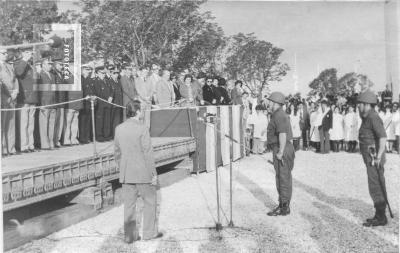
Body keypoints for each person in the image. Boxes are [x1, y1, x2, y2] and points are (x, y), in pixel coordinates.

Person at [114, 100, 162, 243]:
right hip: (143, 173)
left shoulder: (119, 128)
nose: (142, 112)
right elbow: (148, 153)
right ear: (137, 112)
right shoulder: (143, 128)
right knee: (150, 201)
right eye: (141, 109)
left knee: (129, 205)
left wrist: (123, 166)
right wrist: (153, 173)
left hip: (126, 173)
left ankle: (130, 236)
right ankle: (148, 234)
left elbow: (117, 153)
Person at [357, 90, 388, 227]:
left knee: (376, 186)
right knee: (374, 185)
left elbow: (383, 137)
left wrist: (379, 157)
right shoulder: (366, 117)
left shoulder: (373, 117)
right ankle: (379, 214)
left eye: (360, 104)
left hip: (374, 159)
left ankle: (381, 217)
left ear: (367, 104)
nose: (358, 106)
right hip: (370, 159)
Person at [266, 91, 295, 216]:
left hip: (282, 148)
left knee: (283, 178)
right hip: (281, 147)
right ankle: (284, 205)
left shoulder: (279, 115)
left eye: (270, 102)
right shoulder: (278, 114)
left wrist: (280, 152)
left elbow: (282, 134)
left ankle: (284, 207)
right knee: (283, 177)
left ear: (275, 103)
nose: (269, 103)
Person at [14, 48, 38, 153]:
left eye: (31, 53)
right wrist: (24, 59)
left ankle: (30, 145)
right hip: (23, 99)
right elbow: (18, 73)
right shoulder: (19, 63)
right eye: (27, 52)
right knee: (23, 124)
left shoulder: (30, 65)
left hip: (32, 98)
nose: (30, 55)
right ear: (22, 53)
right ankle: (23, 146)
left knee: (30, 124)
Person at [0, 48, 19, 155]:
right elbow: (1, 82)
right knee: (2, 124)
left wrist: (16, 91)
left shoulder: (8, 65)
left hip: (12, 97)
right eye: (2, 53)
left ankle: (11, 148)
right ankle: (3, 149)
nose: (5, 55)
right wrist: (9, 94)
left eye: (6, 53)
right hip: (4, 96)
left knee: (11, 124)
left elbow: (15, 79)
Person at [38, 58, 57, 150]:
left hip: (52, 102)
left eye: (51, 64)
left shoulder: (52, 75)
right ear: (43, 65)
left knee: (51, 124)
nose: (50, 66)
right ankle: (45, 144)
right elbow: (39, 91)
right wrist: (41, 103)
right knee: (44, 125)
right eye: (48, 64)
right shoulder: (39, 75)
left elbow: (54, 90)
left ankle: (51, 142)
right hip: (44, 103)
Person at [93, 66, 114, 142]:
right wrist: (106, 98)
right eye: (102, 73)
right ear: (98, 73)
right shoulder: (96, 81)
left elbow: (112, 89)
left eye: (104, 73)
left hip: (108, 103)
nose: (104, 74)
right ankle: (99, 136)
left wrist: (111, 96)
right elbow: (98, 93)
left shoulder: (107, 81)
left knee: (107, 120)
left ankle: (106, 135)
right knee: (100, 121)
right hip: (100, 104)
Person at [63, 63, 81, 145]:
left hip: (78, 102)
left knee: (75, 121)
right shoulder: (68, 78)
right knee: (68, 122)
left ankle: (74, 138)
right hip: (70, 102)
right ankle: (66, 139)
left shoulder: (78, 78)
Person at [78, 63, 95, 144]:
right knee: (82, 121)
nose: (88, 72)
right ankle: (82, 138)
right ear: (82, 71)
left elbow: (91, 90)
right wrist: (86, 96)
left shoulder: (89, 79)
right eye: (86, 70)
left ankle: (86, 137)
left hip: (89, 103)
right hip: (83, 103)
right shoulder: (80, 79)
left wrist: (93, 96)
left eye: (89, 70)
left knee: (88, 121)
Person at [108, 67, 123, 137]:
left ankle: (117, 134)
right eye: (114, 73)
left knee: (118, 120)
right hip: (113, 104)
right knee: (113, 120)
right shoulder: (109, 81)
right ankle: (113, 135)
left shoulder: (118, 81)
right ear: (111, 74)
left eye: (117, 73)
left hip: (119, 103)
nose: (116, 75)